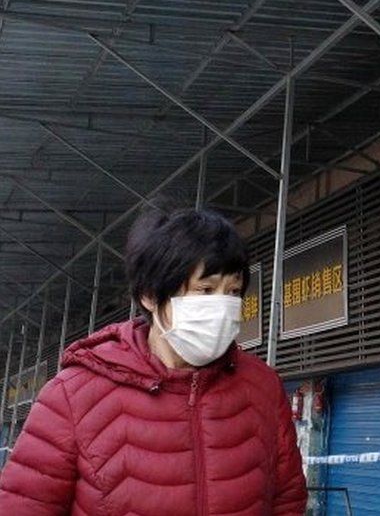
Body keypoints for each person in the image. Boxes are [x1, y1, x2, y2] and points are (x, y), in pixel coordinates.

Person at [0, 204, 307, 515]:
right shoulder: (74, 393)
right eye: (205, 290)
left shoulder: (263, 387)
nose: (222, 306)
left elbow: (288, 500)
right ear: (149, 294)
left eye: (233, 292)